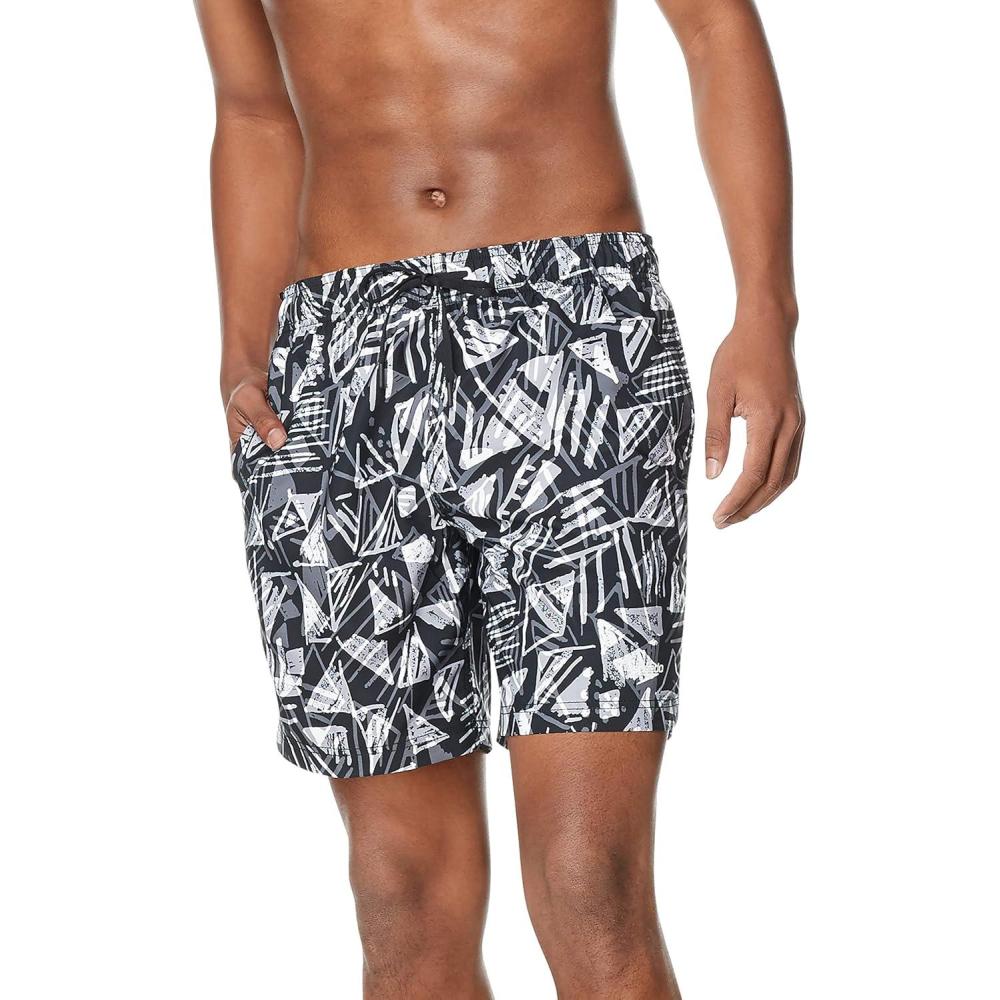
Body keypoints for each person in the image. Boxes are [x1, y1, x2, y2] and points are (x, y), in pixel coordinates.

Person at [195, 1, 804, 996]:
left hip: (574, 333)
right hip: (342, 360)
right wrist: (240, 353)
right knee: (399, 892)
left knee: (587, 879)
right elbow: (254, 111)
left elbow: (712, 26)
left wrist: (766, 310)